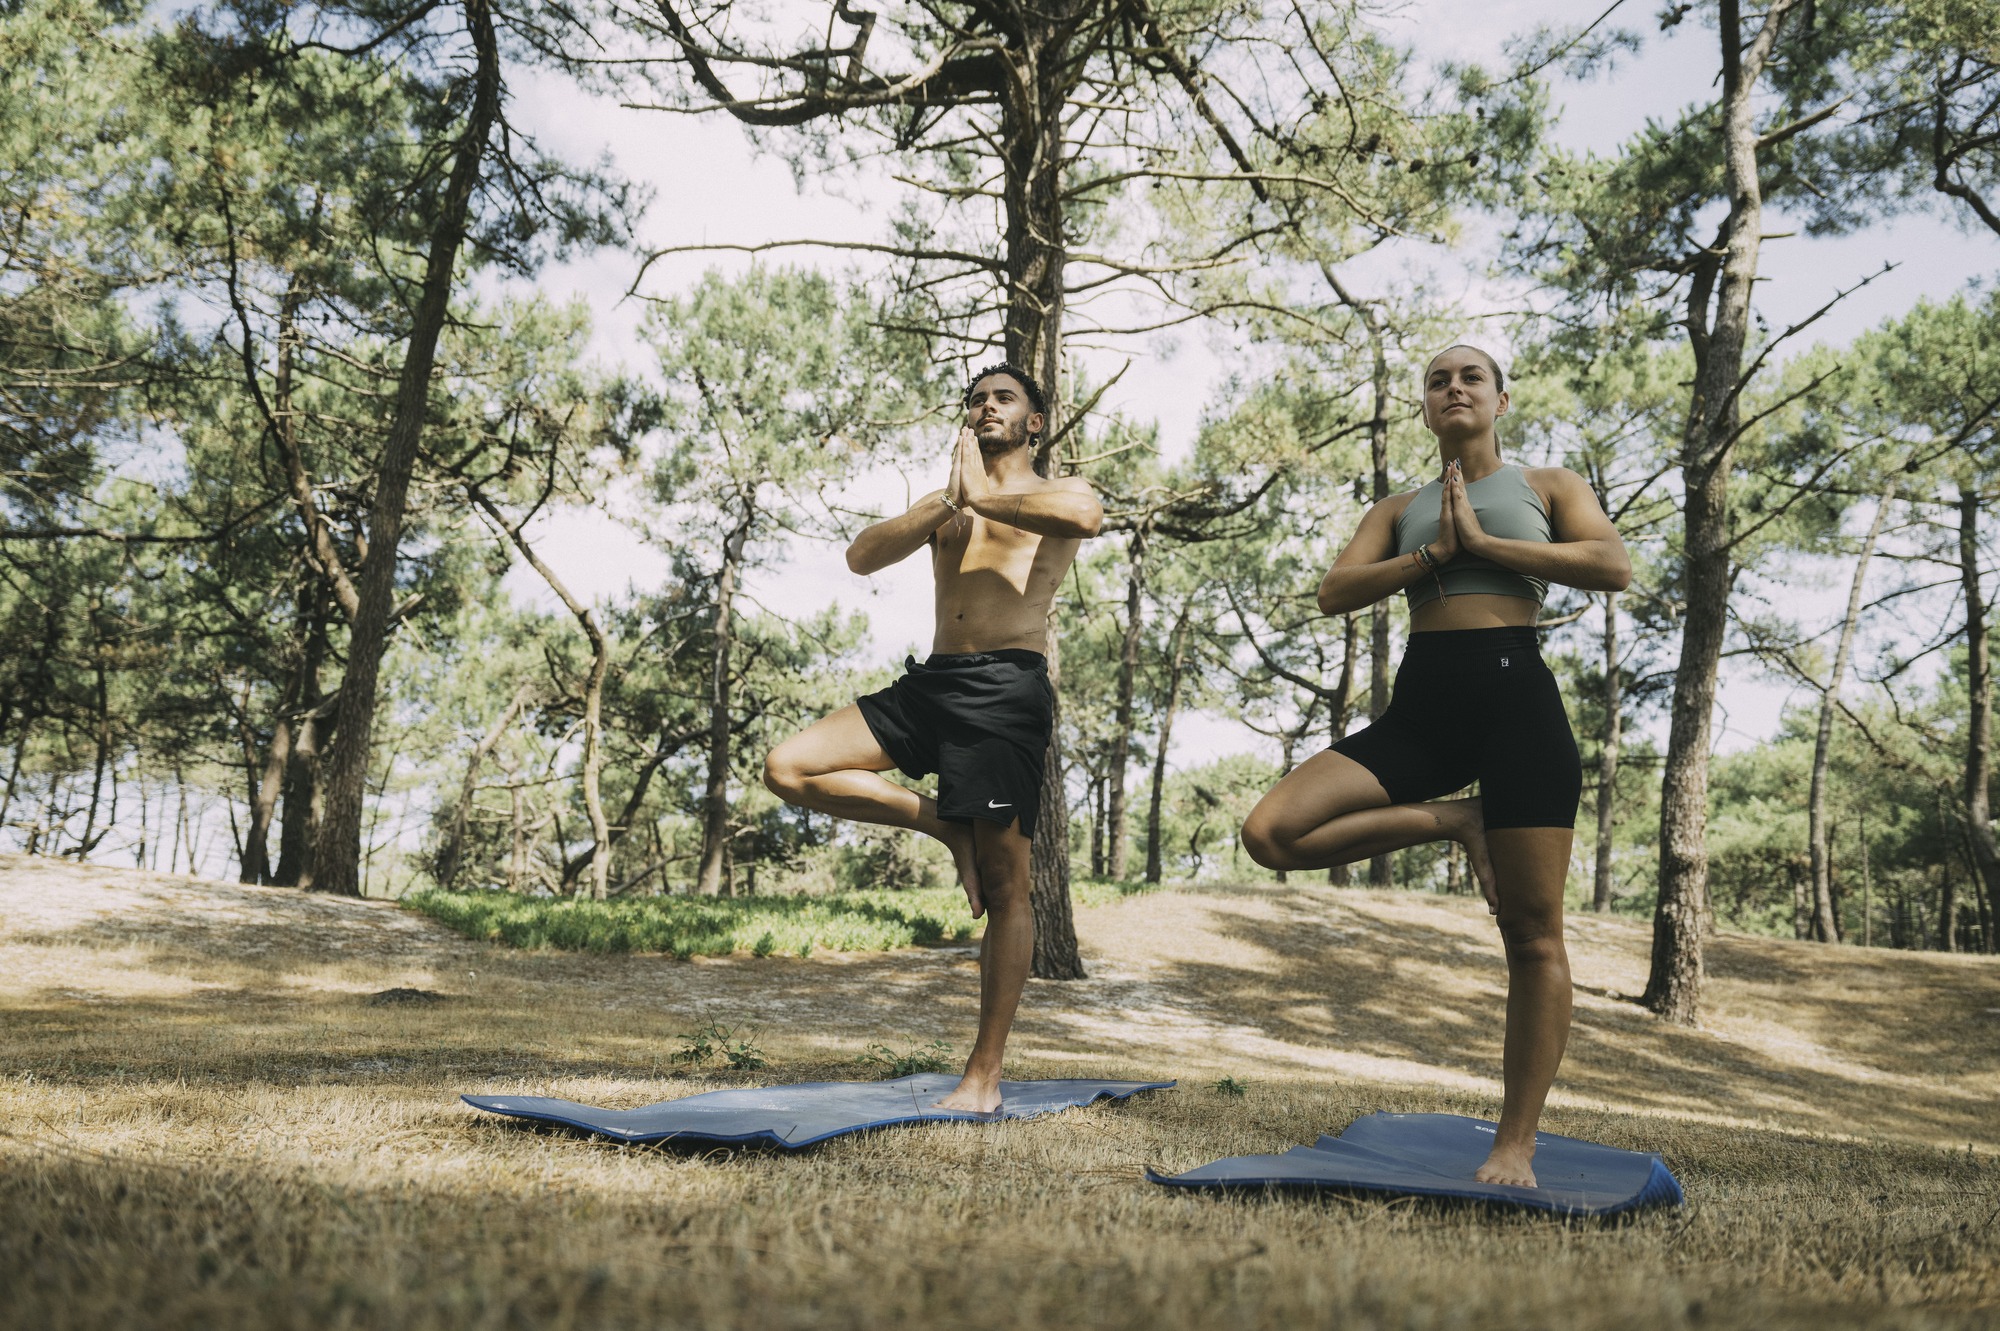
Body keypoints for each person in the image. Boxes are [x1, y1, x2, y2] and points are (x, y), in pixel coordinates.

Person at [1239, 344, 1630, 1187]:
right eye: (1437, 381)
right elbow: (1335, 590)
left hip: (1516, 704)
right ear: (1425, 408)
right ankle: (1458, 819)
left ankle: (1515, 1141)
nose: (1453, 388)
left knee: (1531, 935)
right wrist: (1435, 556)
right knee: (1270, 831)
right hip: (1424, 712)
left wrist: (1489, 541)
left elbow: (1613, 565)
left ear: (1499, 399)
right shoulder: (1401, 505)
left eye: (1470, 378)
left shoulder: (1549, 486)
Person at [763, 361, 1103, 1113]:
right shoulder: (948, 502)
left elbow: (1086, 519)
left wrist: (985, 494)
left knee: (1010, 881)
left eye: (1004, 398)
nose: (987, 407)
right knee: (788, 766)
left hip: (1003, 690)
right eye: (977, 399)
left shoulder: (1058, 491)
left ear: (1034, 421)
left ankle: (983, 1076)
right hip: (931, 683)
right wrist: (950, 500)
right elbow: (862, 555)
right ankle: (942, 824)